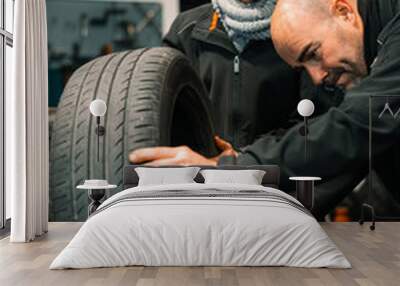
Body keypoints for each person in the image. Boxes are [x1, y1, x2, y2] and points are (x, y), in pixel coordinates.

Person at [129, 0, 338, 166]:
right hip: (200, 175)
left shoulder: (299, 28)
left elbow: (313, 121)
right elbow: (166, 109)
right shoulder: (187, 29)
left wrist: (245, 160)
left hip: (273, 178)